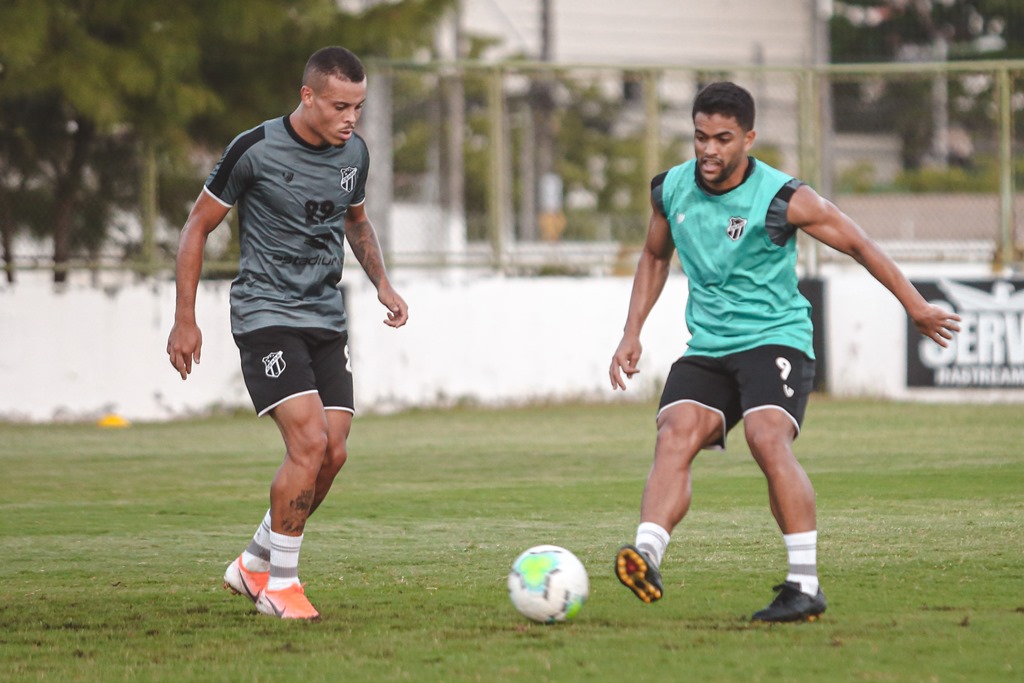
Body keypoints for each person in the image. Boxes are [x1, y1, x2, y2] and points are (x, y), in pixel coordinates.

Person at [608, 82, 960, 623]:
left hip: (775, 338)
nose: (708, 150)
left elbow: (860, 243)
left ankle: (804, 584)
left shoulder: (783, 197)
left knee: (765, 436)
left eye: (722, 139)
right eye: (700, 137)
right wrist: (631, 332)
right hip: (709, 346)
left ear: (748, 137)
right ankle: (647, 556)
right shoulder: (671, 189)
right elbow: (655, 257)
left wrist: (916, 306)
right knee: (674, 431)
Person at [166, 46, 408, 620]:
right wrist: (185, 318)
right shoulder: (254, 149)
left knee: (335, 451)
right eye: (339, 105)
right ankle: (281, 585)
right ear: (308, 96)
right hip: (266, 314)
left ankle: (254, 561)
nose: (351, 118)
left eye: (359, 106)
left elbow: (357, 221)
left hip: (325, 315)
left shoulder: (355, 154)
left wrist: (383, 284)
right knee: (308, 443)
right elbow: (196, 227)